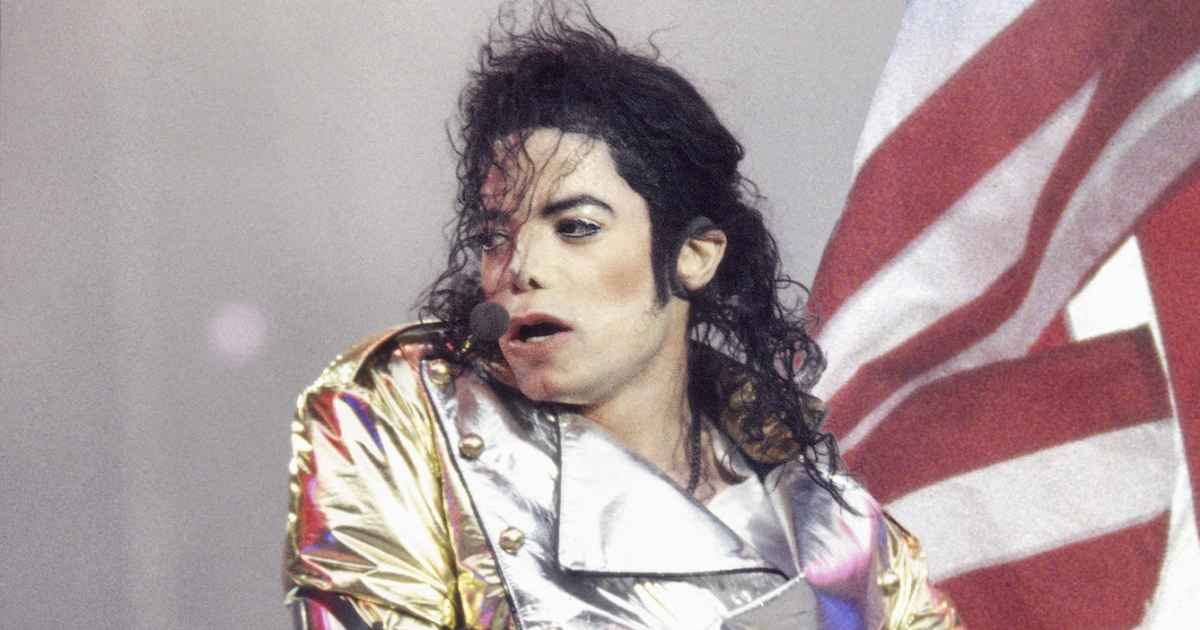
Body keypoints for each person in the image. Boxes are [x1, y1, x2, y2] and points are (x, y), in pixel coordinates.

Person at [283, 4, 960, 629]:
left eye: (575, 226)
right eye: (493, 236)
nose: (520, 266)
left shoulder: (829, 515)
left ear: (693, 255)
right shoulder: (403, 413)